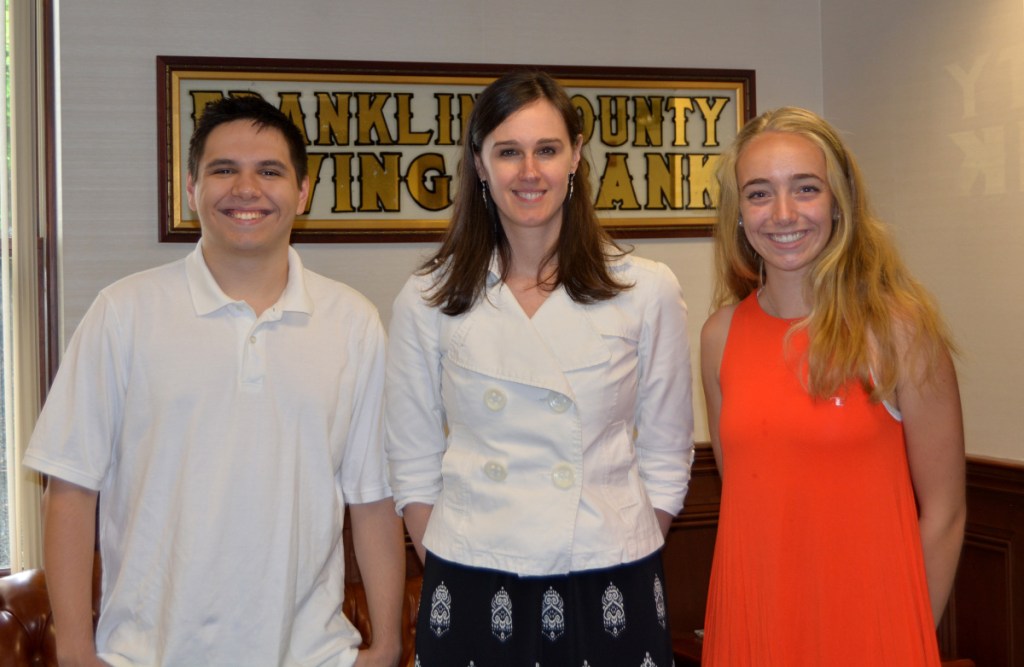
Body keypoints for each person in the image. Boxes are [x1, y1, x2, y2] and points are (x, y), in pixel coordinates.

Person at [23, 95, 405, 666]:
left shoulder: (353, 322)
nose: (245, 188)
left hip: (313, 654)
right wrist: (75, 649)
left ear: (302, 192)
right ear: (191, 187)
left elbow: (373, 500)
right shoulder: (123, 312)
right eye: (223, 169)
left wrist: (388, 643)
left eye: (269, 171)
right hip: (146, 654)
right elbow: (71, 490)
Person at [384, 70, 694, 667]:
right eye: (508, 152)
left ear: (576, 156)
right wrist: (457, 550)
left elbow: (667, 449)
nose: (530, 172)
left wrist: (623, 534)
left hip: (609, 572)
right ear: (479, 163)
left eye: (547, 150)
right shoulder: (427, 298)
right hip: (472, 574)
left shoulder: (645, 289)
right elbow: (412, 461)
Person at [700, 106, 966, 665]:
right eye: (758, 193)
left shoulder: (897, 329)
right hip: (756, 630)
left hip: (874, 634)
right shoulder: (719, 336)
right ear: (738, 214)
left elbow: (945, 513)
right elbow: (746, 499)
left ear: (839, 201)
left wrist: (903, 635)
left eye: (805, 188)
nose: (783, 213)